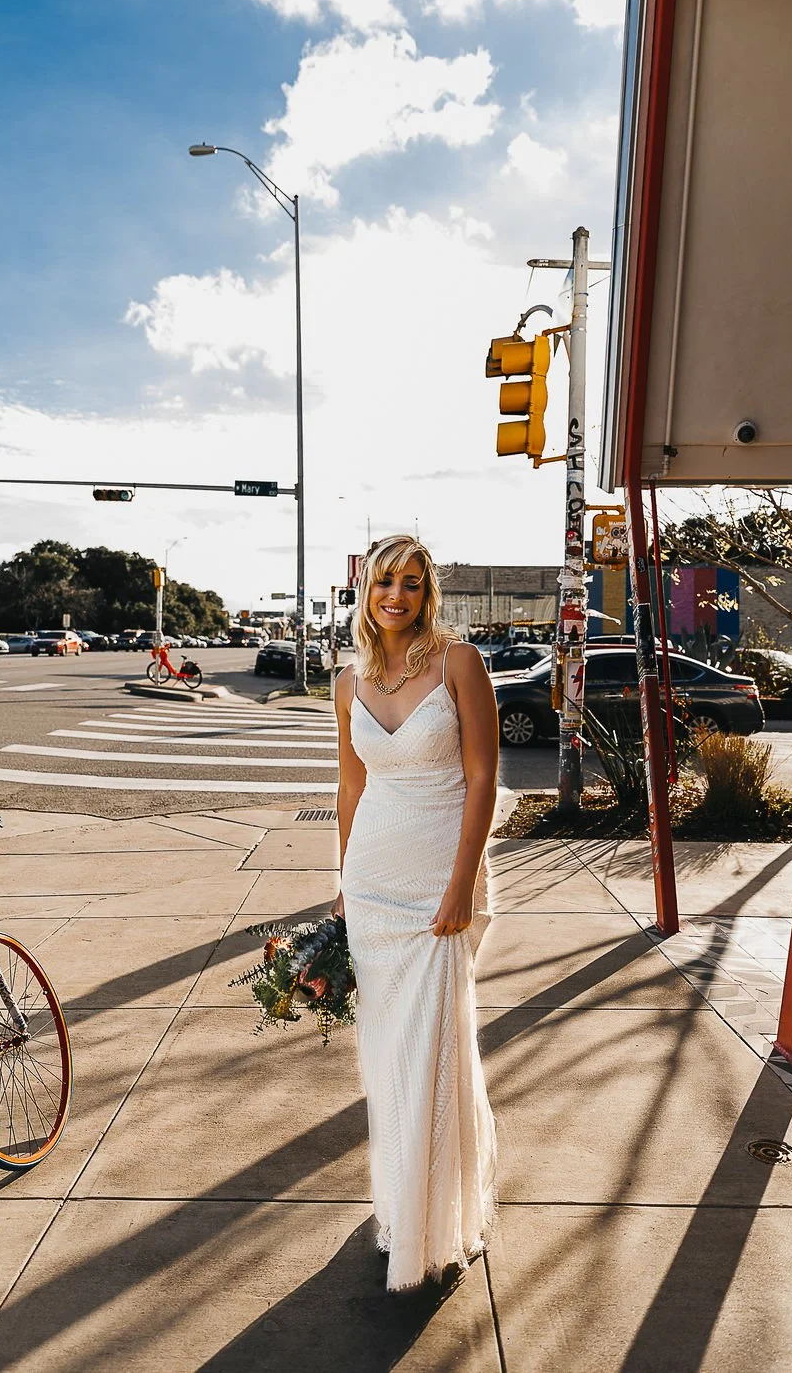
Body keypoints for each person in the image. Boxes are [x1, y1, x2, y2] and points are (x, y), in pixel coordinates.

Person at [332, 534, 498, 1294]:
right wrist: (341, 882)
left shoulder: (459, 663)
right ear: (365, 591)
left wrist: (461, 886)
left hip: (440, 883)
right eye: (382, 582)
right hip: (373, 885)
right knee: (388, 1056)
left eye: (409, 582)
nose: (394, 595)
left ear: (427, 593)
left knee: (434, 1050)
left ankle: (442, 1219)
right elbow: (350, 788)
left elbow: (483, 777)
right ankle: (403, 1206)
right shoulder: (348, 680)